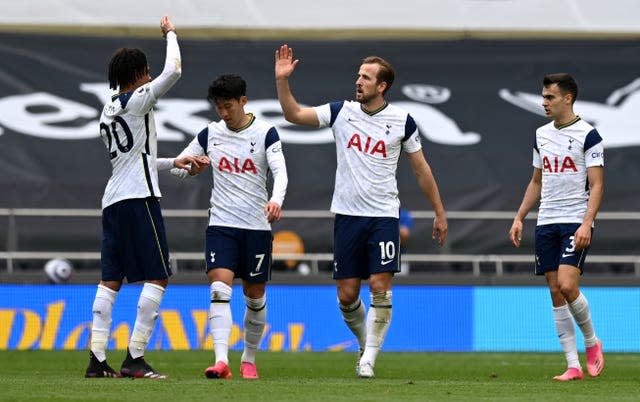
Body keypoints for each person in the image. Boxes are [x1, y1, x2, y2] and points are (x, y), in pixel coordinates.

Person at [275, 45, 447, 378]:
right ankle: (365, 343)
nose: (358, 81)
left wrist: (439, 213)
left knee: (381, 285)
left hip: (384, 216)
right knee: (347, 294)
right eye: (358, 75)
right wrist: (283, 82)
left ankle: (369, 358)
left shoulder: (402, 121)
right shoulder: (341, 112)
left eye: (366, 77)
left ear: (382, 86)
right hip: (347, 217)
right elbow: (293, 114)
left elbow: (422, 170)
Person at [85, 16, 205, 379]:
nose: (152, 76)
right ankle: (134, 357)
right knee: (158, 276)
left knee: (111, 279)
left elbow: (136, 158)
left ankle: (96, 359)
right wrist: (171, 34)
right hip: (139, 199)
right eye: (147, 71)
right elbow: (176, 71)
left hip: (113, 201)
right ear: (137, 75)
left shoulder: (107, 112)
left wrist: (174, 162)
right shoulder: (138, 101)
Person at [164, 74, 288, 380]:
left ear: (243, 101)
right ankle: (221, 361)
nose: (223, 112)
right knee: (219, 288)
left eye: (228, 105)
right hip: (221, 224)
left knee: (255, 296)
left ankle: (249, 358)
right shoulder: (210, 133)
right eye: (218, 106)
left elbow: (281, 173)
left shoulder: (265, 133)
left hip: (257, 227)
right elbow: (182, 168)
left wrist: (275, 200)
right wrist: (192, 167)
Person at [509, 73, 605, 381]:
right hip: (546, 221)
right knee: (555, 292)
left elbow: (598, 184)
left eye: (549, 97)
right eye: (543, 96)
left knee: (567, 284)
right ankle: (572, 366)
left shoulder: (589, 135)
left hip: (575, 220)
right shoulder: (540, 135)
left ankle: (592, 343)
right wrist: (520, 216)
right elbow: (537, 181)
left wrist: (587, 223)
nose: (544, 102)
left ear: (568, 98)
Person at [398, 208, 414, 275]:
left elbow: (405, 234)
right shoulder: (377, 213)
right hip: (378, 256)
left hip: (400, 257)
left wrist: (389, 228)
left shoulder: (404, 214)